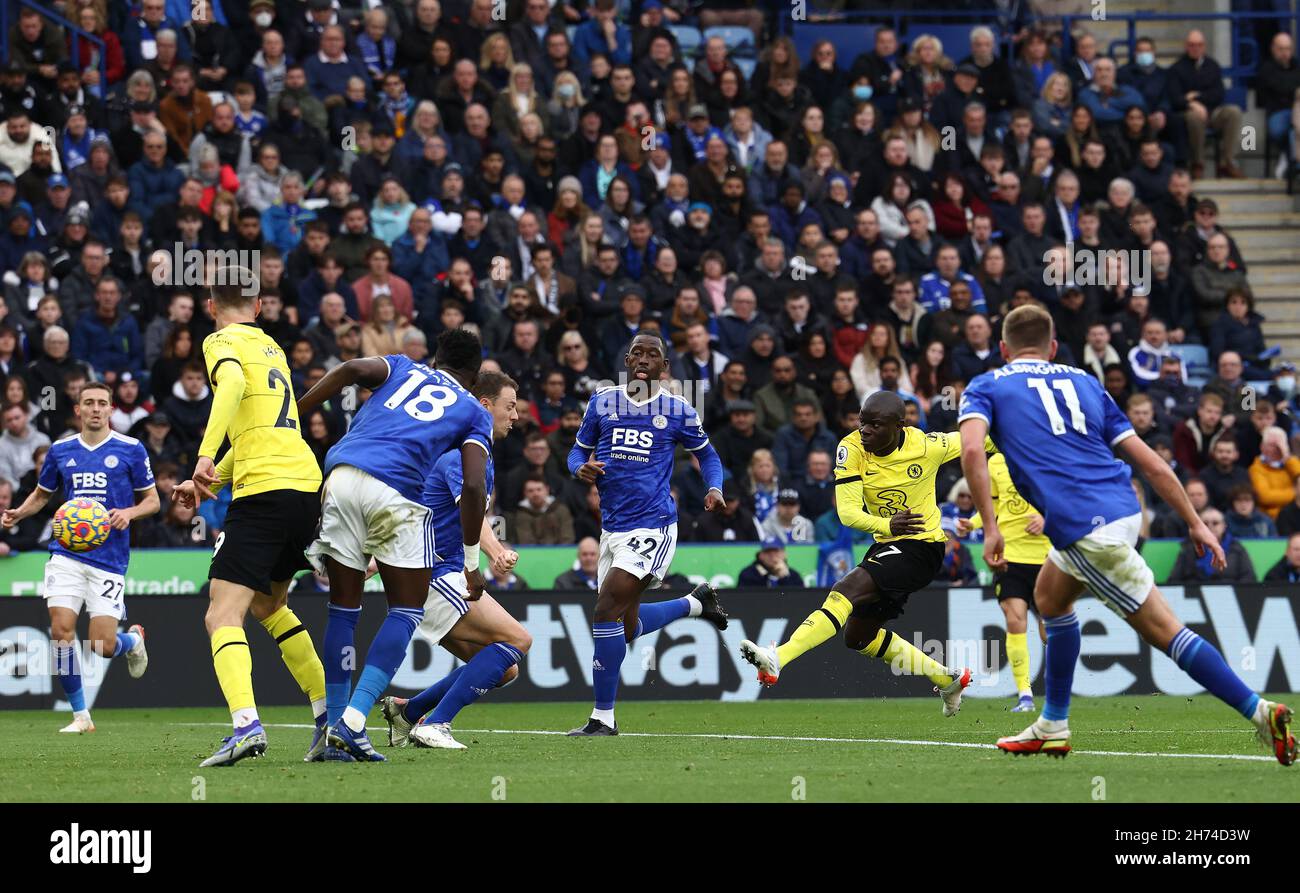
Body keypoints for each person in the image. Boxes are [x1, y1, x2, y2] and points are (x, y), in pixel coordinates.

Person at [958, 303, 1293, 764]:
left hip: (1087, 528)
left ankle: (1260, 711)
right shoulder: (1085, 382)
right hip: (1120, 508)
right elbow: (1151, 462)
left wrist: (990, 527)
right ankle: (1053, 724)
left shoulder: (986, 385)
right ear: (1054, 347)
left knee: (1165, 631)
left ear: (1002, 348)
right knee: (1051, 598)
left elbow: (973, 450)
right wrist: (1194, 521)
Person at [293, 328, 492, 763]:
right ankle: (355, 722)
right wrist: (473, 563)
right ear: (475, 377)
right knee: (406, 608)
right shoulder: (474, 411)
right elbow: (474, 485)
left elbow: (348, 369)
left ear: (437, 359)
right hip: (396, 491)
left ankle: (332, 728)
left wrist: (294, 415)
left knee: (344, 608)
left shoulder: (401, 366)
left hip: (341, 478)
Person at [169, 276, 329, 769]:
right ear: (259, 306)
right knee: (269, 603)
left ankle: (246, 727)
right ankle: (329, 718)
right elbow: (265, 429)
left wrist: (202, 456)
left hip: (263, 494)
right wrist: (210, 482)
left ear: (211, 305)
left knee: (221, 614)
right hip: (305, 486)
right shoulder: (273, 347)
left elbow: (234, 386)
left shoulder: (219, 340)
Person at [739, 391, 976, 714]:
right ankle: (946, 678)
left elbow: (980, 439)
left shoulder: (927, 446)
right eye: (862, 422)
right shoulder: (850, 448)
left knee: (845, 590)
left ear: (899, 426)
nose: (864, 430)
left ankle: (778, 657)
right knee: (859, 636)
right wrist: (888, 525)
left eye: (875, 425)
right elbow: (848, 513)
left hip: (924, 547)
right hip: (889, 542)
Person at [564, 332, 728, 736]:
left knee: (605, 611)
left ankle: (603, 718)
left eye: (652, 354)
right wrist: (578, 469)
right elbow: (575, 451)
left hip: (653, 525)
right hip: (612, 528)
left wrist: (714, 487)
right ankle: (695, 604)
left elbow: (707, 454)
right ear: (627, 358)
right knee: (624, 626)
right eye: (636, 351)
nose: (642, 359)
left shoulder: (678, 409)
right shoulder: (602, 402)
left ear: (664, 367)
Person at [378, 372, 532, 750]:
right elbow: (471, 512)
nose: (515, 416)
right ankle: (437, 723)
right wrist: (494, 553)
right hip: (437, 573)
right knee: (518, 638)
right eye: (509, 406)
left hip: (428, 574)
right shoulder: (463, 453)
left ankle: (409, 711)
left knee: (504, 668)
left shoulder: (463, 452)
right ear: (484, 405)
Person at [0, 382, 157, 733]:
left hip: (110, 558)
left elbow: (153, 501)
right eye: (89, 403)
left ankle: (132, 641)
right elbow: (43, 494)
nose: (96, 409)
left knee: (102, 645)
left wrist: (129, 514)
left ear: (111, 409)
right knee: (61, 630)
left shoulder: (131, 448)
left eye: (103, 403)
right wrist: (18, 514)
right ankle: (80, 716)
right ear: (78, 410)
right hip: (66, 554)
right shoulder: (61, 450)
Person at [958, 449, 1050, 713]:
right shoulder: (996, 462)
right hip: (1009, 556)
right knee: (1014, 618)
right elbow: (994, 505)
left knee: (1050, 630)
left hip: (1047, 556)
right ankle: (1025, 696)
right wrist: (973, 524)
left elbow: (1067, 495)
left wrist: (1047, 519)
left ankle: (1055, 691)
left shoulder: (1045, 453)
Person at [1167, 507, 1256, 583]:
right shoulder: (1188, 549)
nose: (1210, 527)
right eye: (1205, 524)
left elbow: (1249, 578)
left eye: (1215, 523)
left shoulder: (1237, 549)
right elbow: (1174, 580)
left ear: (1224, 526)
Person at [737, 538, 803, 588]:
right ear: (760, 555)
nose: (772, 556)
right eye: (768, 552)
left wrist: (784, 578)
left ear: (784, 554)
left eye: (776, 551)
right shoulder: (748, 574)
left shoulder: (793, 575)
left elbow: (798, 599)